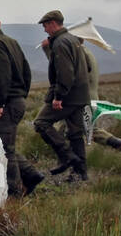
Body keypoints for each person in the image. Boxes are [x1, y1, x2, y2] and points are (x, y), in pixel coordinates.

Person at [0, 9, 46, 197]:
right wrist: (21, 95)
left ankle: (15, 192)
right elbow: (27, 72)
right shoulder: (12, 42)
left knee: (1, 147)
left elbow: (3, 74)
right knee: (4, 144)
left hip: (8, 104)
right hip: (17, 101)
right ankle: (31, 175)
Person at [32, 11, 92, 180]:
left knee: (41, 123)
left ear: (53, 23)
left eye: (45, 26)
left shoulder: (59, 43)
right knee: (75, 133)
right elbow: (87, 67)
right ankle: (81, 173)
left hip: (68, 96)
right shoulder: (74, 40)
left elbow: (65, 73)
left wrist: (59, 97)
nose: (44, 30)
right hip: (80, 95)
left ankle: (67, 157)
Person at [80, 40, 121, 154]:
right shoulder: (87, 52)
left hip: (83, 98)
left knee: (84, 130)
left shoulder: (80, 53)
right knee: (85, 129)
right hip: (89, 96)